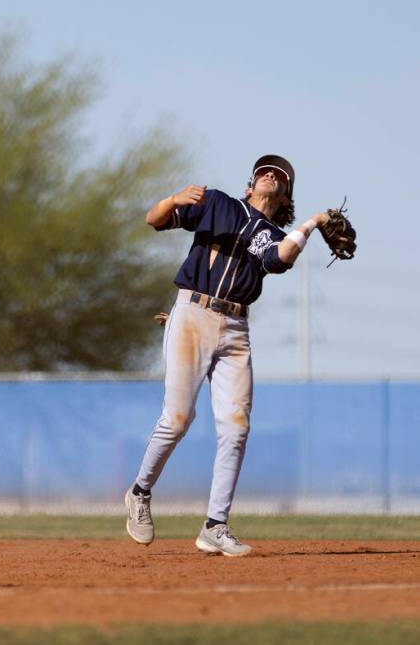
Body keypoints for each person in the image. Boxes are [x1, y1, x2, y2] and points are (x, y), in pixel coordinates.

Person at [124, 155, 332, 556]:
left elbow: (278, 258)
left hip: (236, 329)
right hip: (193, 312)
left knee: (236, 428)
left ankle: (215, 526)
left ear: (284, 193)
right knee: (178, 418)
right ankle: (139, 492)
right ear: (251, 184)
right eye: (263, 172)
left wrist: (312, 223)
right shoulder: (219, 203)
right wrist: (173, 198)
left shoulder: (273, 233)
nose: (270, 175)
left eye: (279, 176)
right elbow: (154, 219)